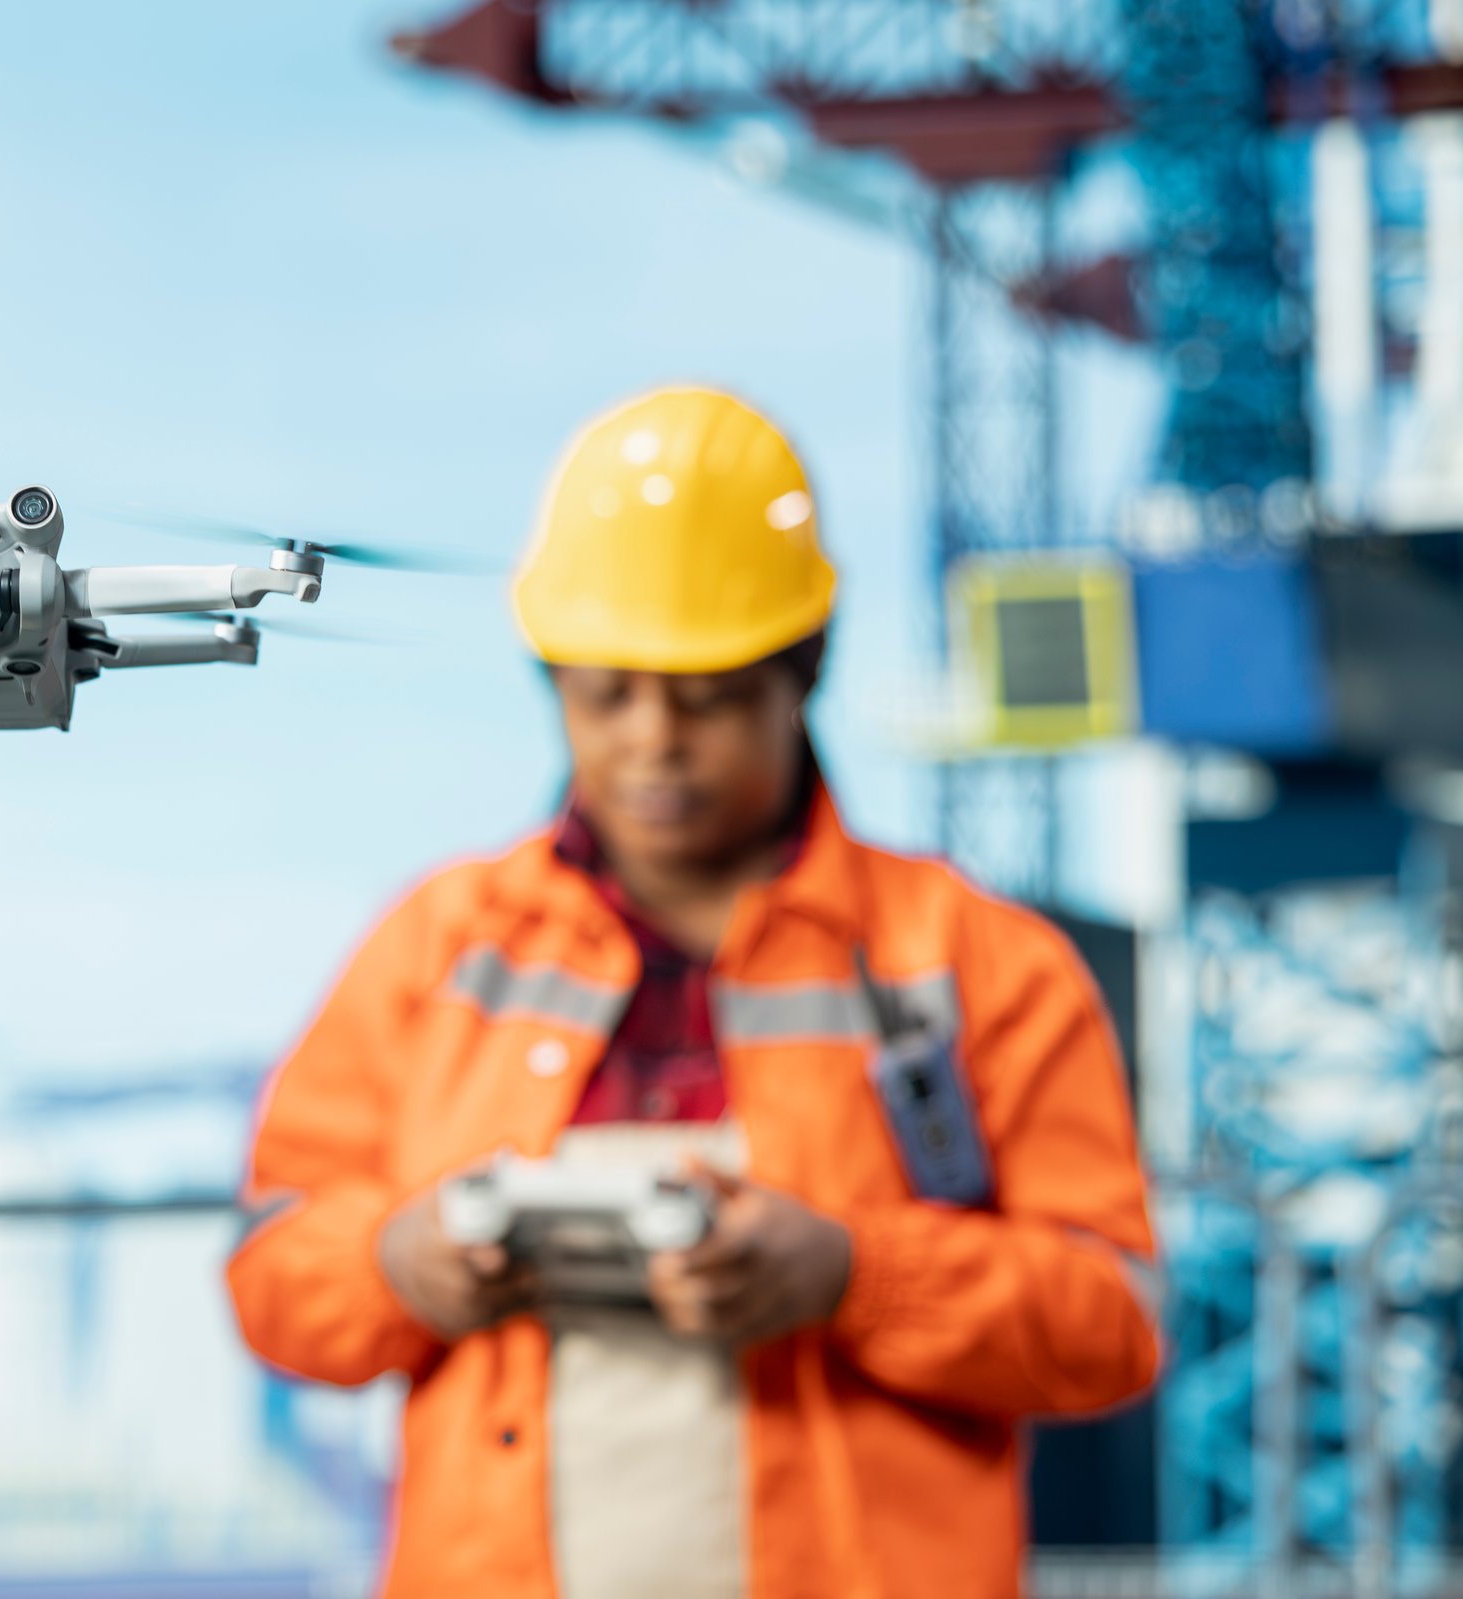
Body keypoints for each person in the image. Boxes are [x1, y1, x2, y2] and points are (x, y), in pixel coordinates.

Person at [224, 387, 1159, 1599]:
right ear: (550, 679)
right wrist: (397, 1266)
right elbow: (272, 1276)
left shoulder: (978, 964)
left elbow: (1111, 1327)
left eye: (707, 694)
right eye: (607, 693)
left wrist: (855, 1275)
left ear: (803, 668)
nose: (653, 740)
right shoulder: (438, 948)